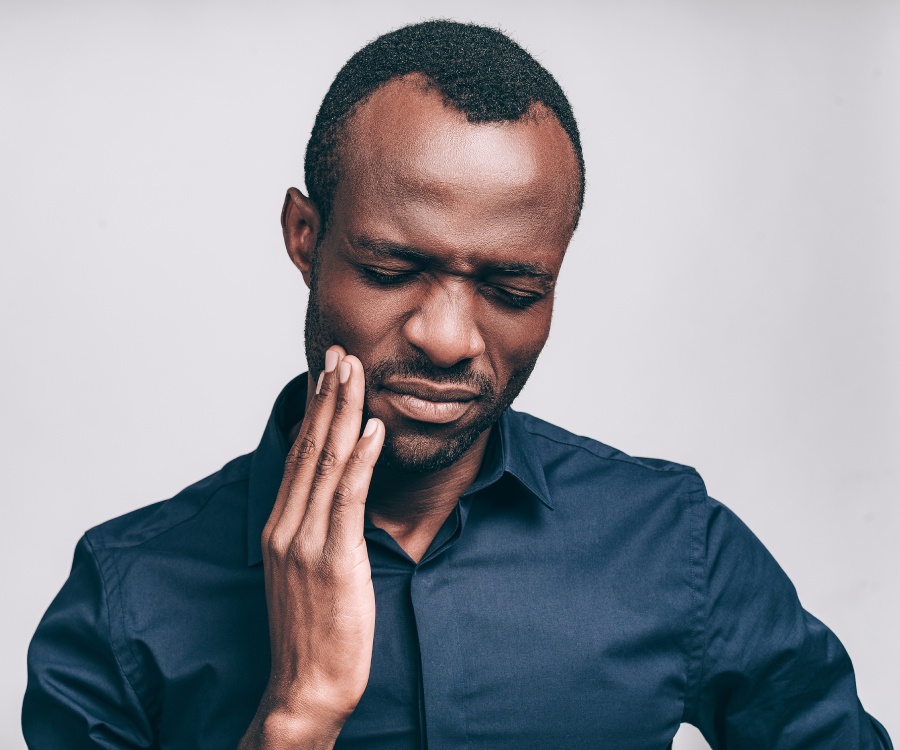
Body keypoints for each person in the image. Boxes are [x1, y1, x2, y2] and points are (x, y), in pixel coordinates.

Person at [23, 20, 892, 750]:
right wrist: (297, 717)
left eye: (514, 290)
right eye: (392, 267)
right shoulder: (125, 599)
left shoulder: (672, 545)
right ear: (303, 237)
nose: (447, 339)